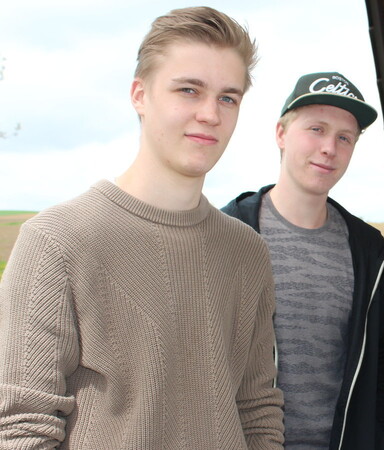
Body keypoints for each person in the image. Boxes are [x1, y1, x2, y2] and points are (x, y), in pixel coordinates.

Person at [0, 7, 284, 448]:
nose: (210, 113)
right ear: (139, 95)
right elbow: (21, 426)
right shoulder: (57, 241)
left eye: (228, 97)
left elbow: (257, 408)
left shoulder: (247, 251)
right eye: (189, 90)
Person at [222, 71, 384, 449]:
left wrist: (382, 439)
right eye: (316, 129)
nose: (329, 148)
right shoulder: (226, 231)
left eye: (344, 138)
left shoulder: (370, 253)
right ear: (281, 134)